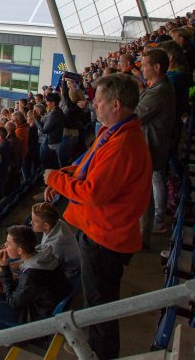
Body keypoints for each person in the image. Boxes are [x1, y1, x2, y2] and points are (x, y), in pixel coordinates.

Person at [44, 73, 152, 359]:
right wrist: (63, 176)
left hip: (105, 238)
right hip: (99, 231)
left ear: (116, 104)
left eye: (99, 100)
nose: (93, 105)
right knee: (96, 301)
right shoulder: (113, 132)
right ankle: (94, 346)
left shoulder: (123, 144)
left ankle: (102, 354)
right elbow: (85, 167)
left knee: (100, 308)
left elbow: (92, 192)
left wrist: (53, 178)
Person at [0, 225, 71, 337]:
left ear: (20, 250)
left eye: (8, 243)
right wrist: (19, 265)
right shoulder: (45, 254)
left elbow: (13, 301)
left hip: (34, 318)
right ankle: (3, 326)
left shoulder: (32, 276)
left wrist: (4, 268)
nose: (5, 246)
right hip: (42, 305)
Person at [136, 48, 176, 239]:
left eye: (145, 65)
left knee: (144, 193)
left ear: (157, 67)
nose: (142, 69)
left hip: (151, 146)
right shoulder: (156, 88)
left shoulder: (160, 91)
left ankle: (143, 233)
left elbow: (137, 115)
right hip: (150, 145)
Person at [31, 202, 80, 278]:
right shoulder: (58, 222)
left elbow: (51, 268)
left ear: (46, 225)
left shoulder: (55, 245)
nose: (31, 222)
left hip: (69, 274)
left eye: (35, 221)